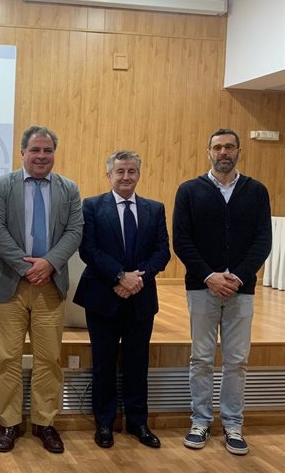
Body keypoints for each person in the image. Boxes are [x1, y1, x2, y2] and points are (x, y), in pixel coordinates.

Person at [173, 128, 272, 456]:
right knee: (200, 358)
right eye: (218, 147)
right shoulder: (189, 190)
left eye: (230, 147)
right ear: (208, 152)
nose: (224, 152)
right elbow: (182, 240)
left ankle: (232, 424)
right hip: (201, 289)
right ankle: (200, 421)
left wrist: (239, 277)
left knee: (237, 360)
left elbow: (263, 241)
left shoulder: (256, 191)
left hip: (241, 291)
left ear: (239, 151)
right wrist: (209, 276)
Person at [0, 125, 83, 454]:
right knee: (7, 358)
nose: (42, 156)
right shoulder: (3, 186)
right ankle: (9, 423)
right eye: (35, 150)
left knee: (48, 359)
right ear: (23, 153)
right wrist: (26, 266)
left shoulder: (69, 189)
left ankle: (44, 422)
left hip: (50, 284)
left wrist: (49, 263)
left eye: (48, 150)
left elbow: (74, 231)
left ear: (54, 153)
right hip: (9, 284)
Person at [73, 150, 170, 449]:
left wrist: (136, 279)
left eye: (131, 171)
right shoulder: (91, 206)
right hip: (103, 296)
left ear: (139, 174)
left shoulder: (154, 209)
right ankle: (104, 423)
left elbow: (162, 252)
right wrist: (119, 277)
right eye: (120, 171)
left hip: (140, 297)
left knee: (137, 362)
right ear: (109, 175)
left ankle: (138, 422)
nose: (126, 176)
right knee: (103, 362)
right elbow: (87, 249)